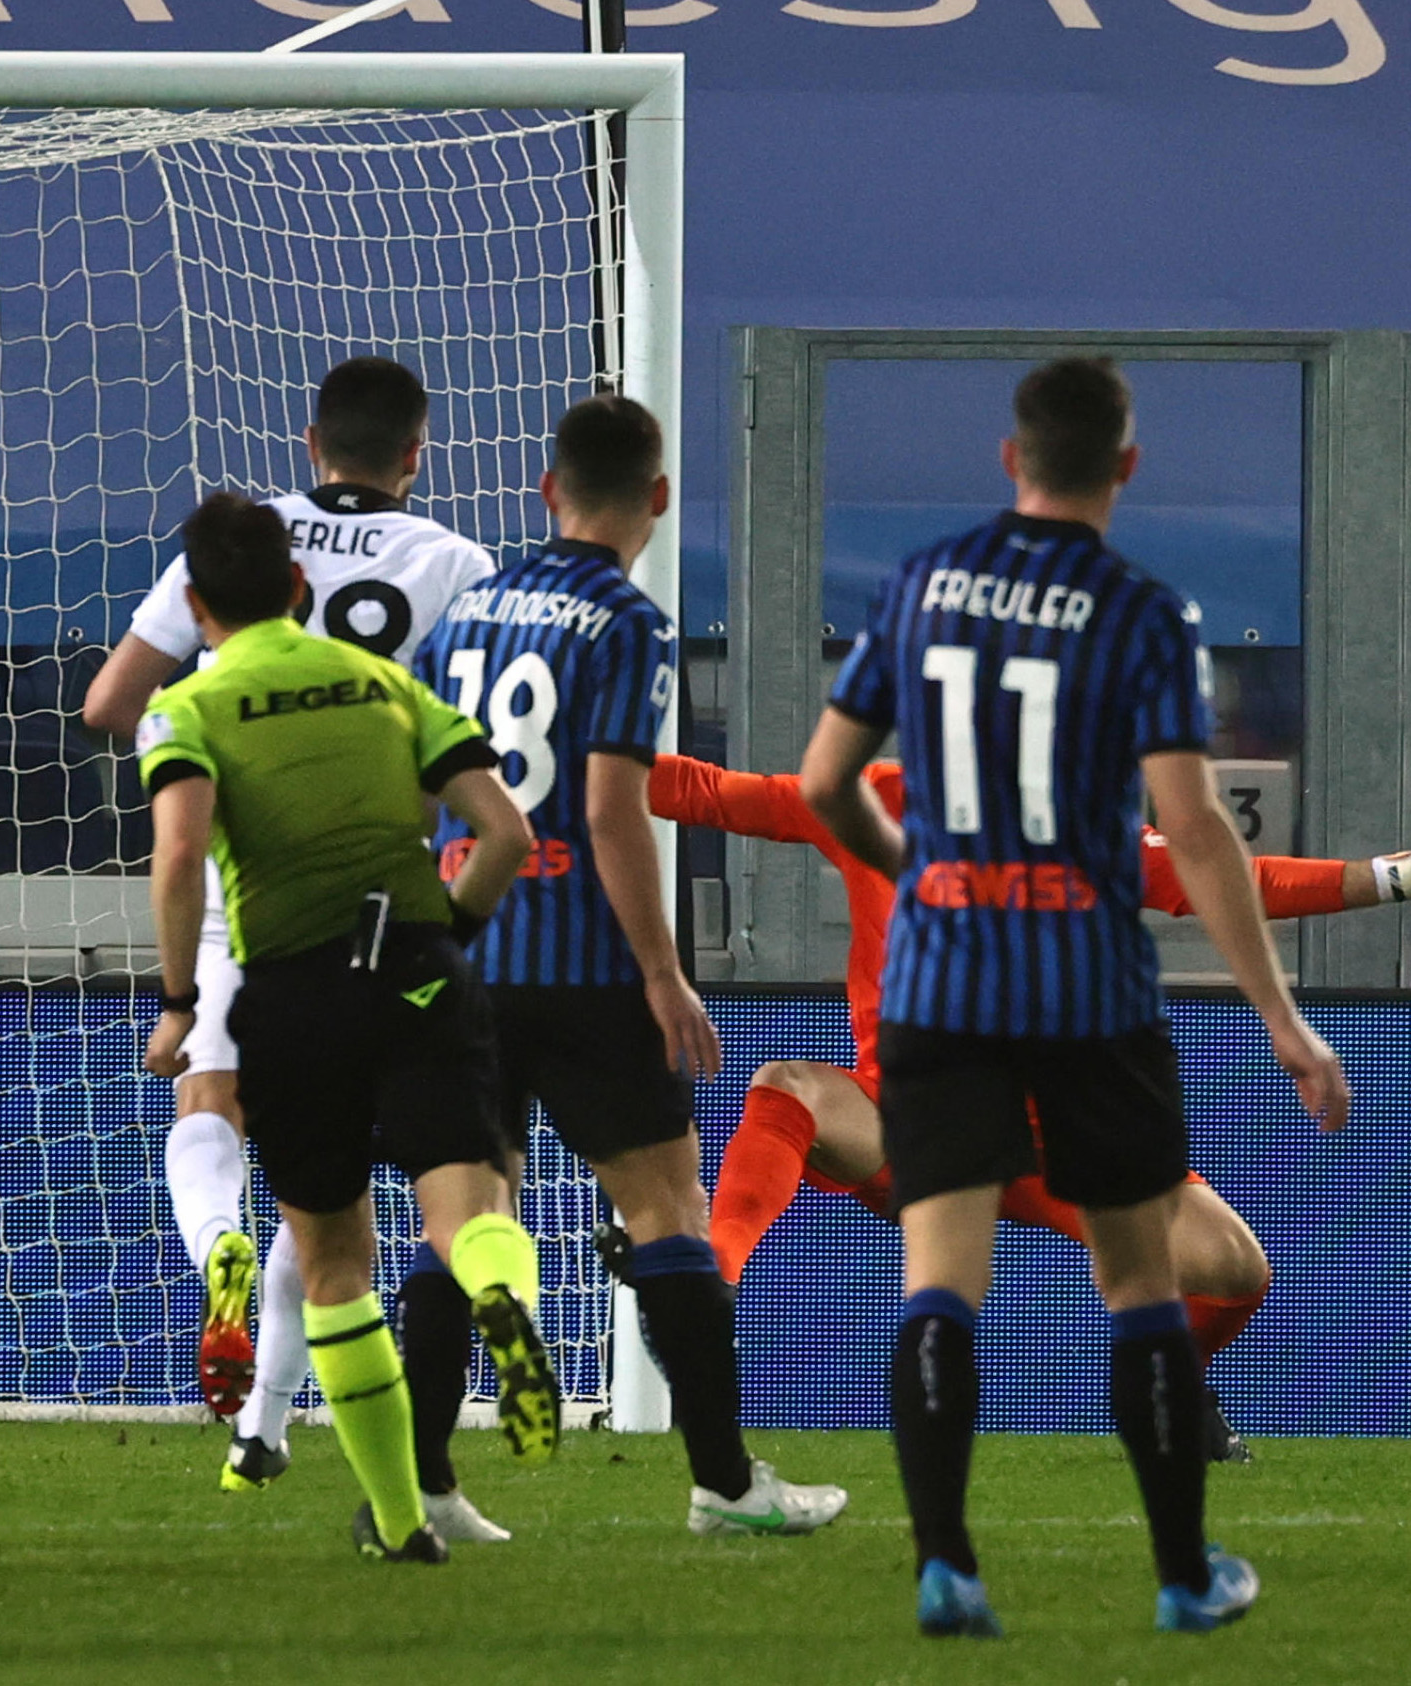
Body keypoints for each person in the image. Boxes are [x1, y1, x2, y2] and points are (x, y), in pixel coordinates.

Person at [801, 356, 1348, 1637]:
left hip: (942, 986)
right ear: (1127, 467)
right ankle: (1180, 1574)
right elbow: (1198, 831)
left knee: (940, 1285)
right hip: (1090, 991)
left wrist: (919, 878)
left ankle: (944, 1563)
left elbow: (827, 785)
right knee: (1141, 1287)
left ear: (1011, 458)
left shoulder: (921, 584)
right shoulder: (1146, 615)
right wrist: (1283, 1020)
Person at [648, 752, 1411, 1459]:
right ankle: (705, 1291)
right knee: (786, 1086)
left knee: (1234, 1269)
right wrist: (556, 754)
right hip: (908, 1123)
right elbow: (700, 792)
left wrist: (1402, 875)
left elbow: (1226, 880)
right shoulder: (873, 798)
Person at [411, 393, 845, 1541]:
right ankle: (724, 1482)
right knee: (665, 1212)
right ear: (657, 498)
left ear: (547, 490)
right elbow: (613, 811)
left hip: (465, 949)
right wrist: (662, 974)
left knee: (463, 1220)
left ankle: (423, 1492)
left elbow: (422, 791)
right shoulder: (626, 623)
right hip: (588, 965)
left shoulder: (464, 614)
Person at [82, 357, 501, 1507]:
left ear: (310, 440)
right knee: (342, 1177)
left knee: (218, 1106)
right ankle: (266, 1424)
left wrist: (204, 723)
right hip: (383, 890)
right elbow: (476, 741)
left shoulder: (240, 550)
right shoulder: (460, 564)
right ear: (417, 453)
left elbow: (110, 705)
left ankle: (214, 1255)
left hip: (239, 868)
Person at [134, 492, 550, 1563]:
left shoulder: (187, 707)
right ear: (300, 588)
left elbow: (180, 859)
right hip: (416, 973)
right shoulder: (389, 684)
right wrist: (446, 939)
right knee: (464, 1206)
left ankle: (403, 1524)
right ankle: (503, 1294)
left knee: (333, 1266)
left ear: (194, 603)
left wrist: (181, 1002)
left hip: (291, 998)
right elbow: (505, 832)